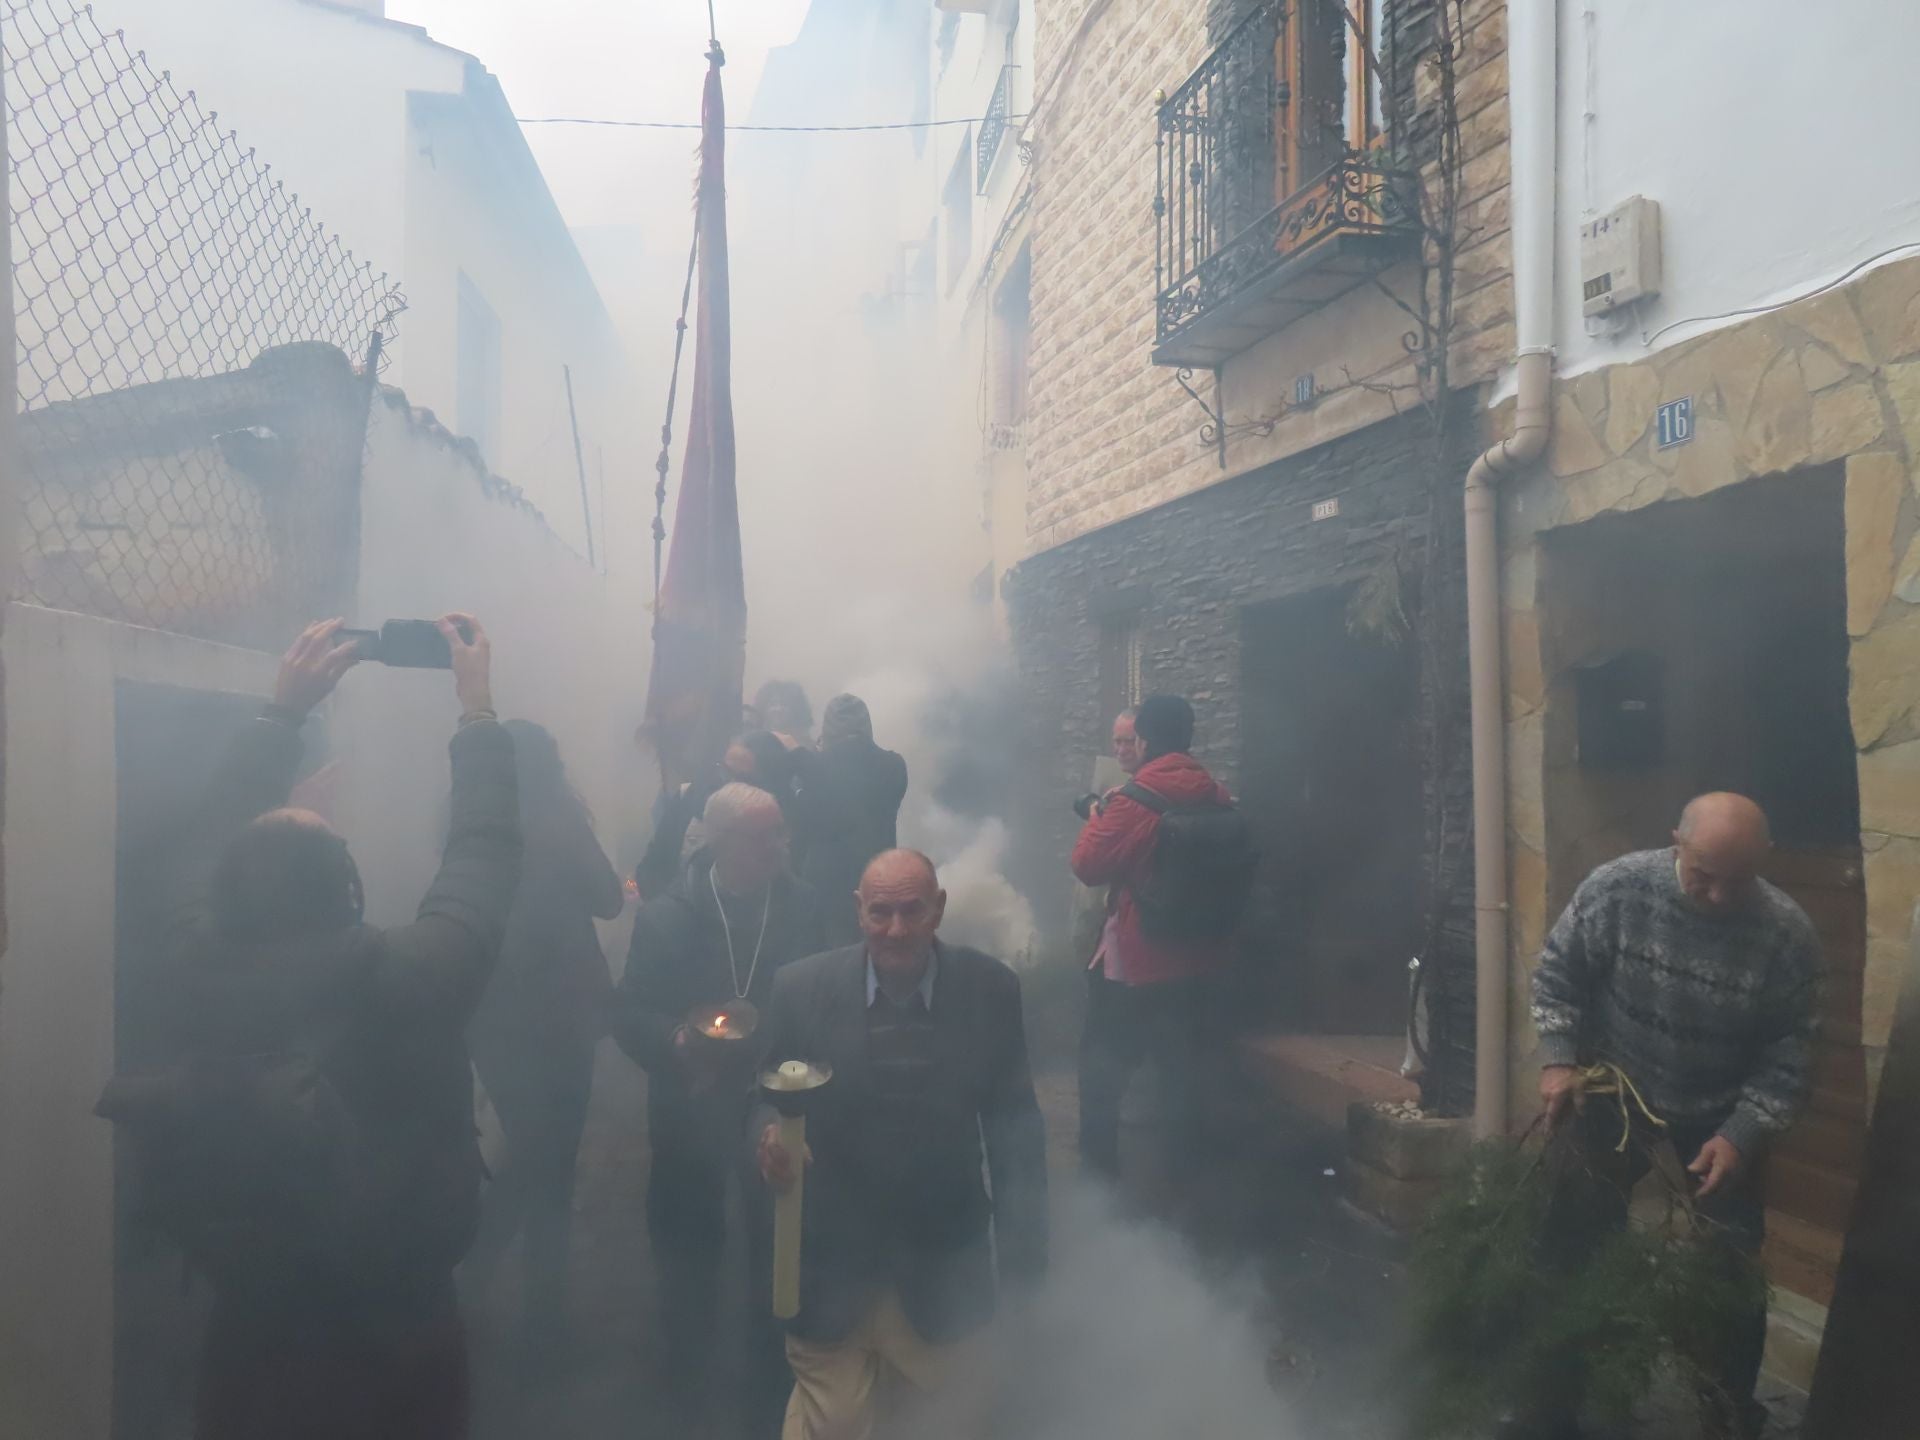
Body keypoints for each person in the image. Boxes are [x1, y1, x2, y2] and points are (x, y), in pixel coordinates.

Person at [99, 616, 516, 1440]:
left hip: (253, 1329)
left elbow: (199, 848)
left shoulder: (195, 968)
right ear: (348, 889)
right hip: (401, 1333)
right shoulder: (417, 976)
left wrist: (279, 719)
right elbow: (484, 854)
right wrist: (477, 713)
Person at [1525, 792, 1822, 1439]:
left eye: (1736, 882)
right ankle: (1554, 1399)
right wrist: (1557, 1060)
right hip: (1613, 1087)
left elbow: (1788, 1056)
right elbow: (1557, 978)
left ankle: (1727, 1413)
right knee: (1572, 1238)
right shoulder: (1618, 888)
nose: (1717, 897)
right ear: (1676, 845)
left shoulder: (1786, 934)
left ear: (1765, 863)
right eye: (1703, 877)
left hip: (1720, 1112)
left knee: (1731, 1269)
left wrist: (1742, 1133)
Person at [754, 850, 1048, 1440]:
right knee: (833, 1425)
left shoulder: (990, 988)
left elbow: (1015, 1128)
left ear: (938, 908)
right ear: (858, 912)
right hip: (830, 1260)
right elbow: (763, 1094)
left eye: (912, 911)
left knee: (945, 1424)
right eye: (880, 912)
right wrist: (766, 1138)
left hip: (941, 1261)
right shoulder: (800, 987)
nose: (896, 929)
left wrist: (1026, 1274)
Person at [614, 783, 824, 1431]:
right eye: (768, 835)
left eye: (782, 833)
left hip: (774, 1094)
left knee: (777, 1236)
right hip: (689, 1102)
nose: (781, 846)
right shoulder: (667, 916)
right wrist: (674, 1039)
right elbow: (628, 1012)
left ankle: (770, 1374)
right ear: (725, 841)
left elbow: (822, 996)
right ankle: (684, 1378)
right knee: (688, 1239)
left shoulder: (802, 907)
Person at [463, 720, 624, 1358]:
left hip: (492, 1013)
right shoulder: (556, 823)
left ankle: (502, 1295)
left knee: (535, 1155)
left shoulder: (466, 823)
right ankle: (535, 1316)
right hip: (559, 1017)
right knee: (548, 1164)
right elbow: (610, 900)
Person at [1069, 694, 1241, 1179]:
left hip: (1136, 965)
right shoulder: (1217, 794)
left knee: (1101, 1071)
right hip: (1203, 959)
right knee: (1181, 1073)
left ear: (1143, 740)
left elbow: (1086, 866)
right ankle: (1186, 1178)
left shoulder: (1133, 802)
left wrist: (1099, 814)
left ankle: (1098, 1177)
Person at [790, 694, 909, 947]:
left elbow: (802, 820)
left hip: (824, 887)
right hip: (880, 878)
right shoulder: (894, 765)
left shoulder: (811, 765)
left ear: (827, 729)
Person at [635, 729, 797, 901]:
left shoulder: (779, 821)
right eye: (726, 772)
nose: (728, 784)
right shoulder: (690, 796)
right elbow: (651, 868)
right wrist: (669, 913)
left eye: (743, 778)